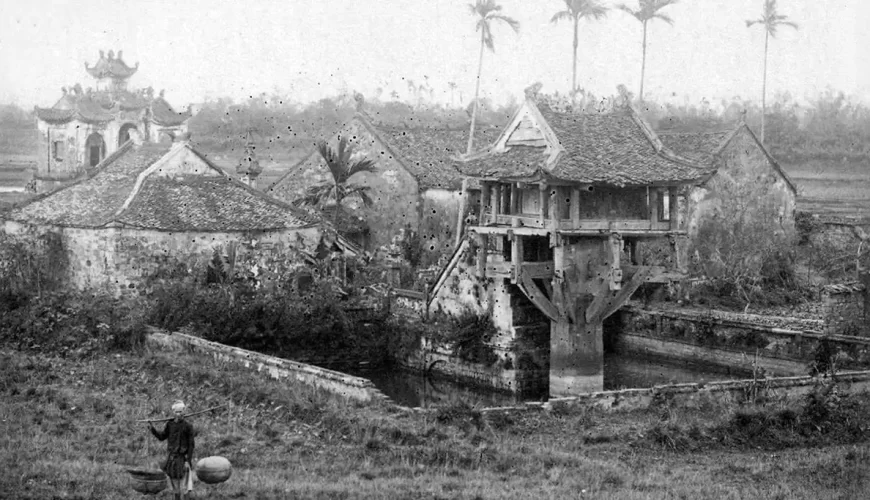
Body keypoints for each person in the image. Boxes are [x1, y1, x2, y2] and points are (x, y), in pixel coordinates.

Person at [148, 400, 195, 500]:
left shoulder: (188, 426)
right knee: (174, 487)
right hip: (172, 459)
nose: (179, 414)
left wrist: (188, 461)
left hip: (183, 459)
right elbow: (162, 437)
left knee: (185, 487)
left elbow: (191, 445)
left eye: (180, 411)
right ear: (173, 413)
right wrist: (153, 429)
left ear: (184, 412)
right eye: (176, 412)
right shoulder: (170, 425)